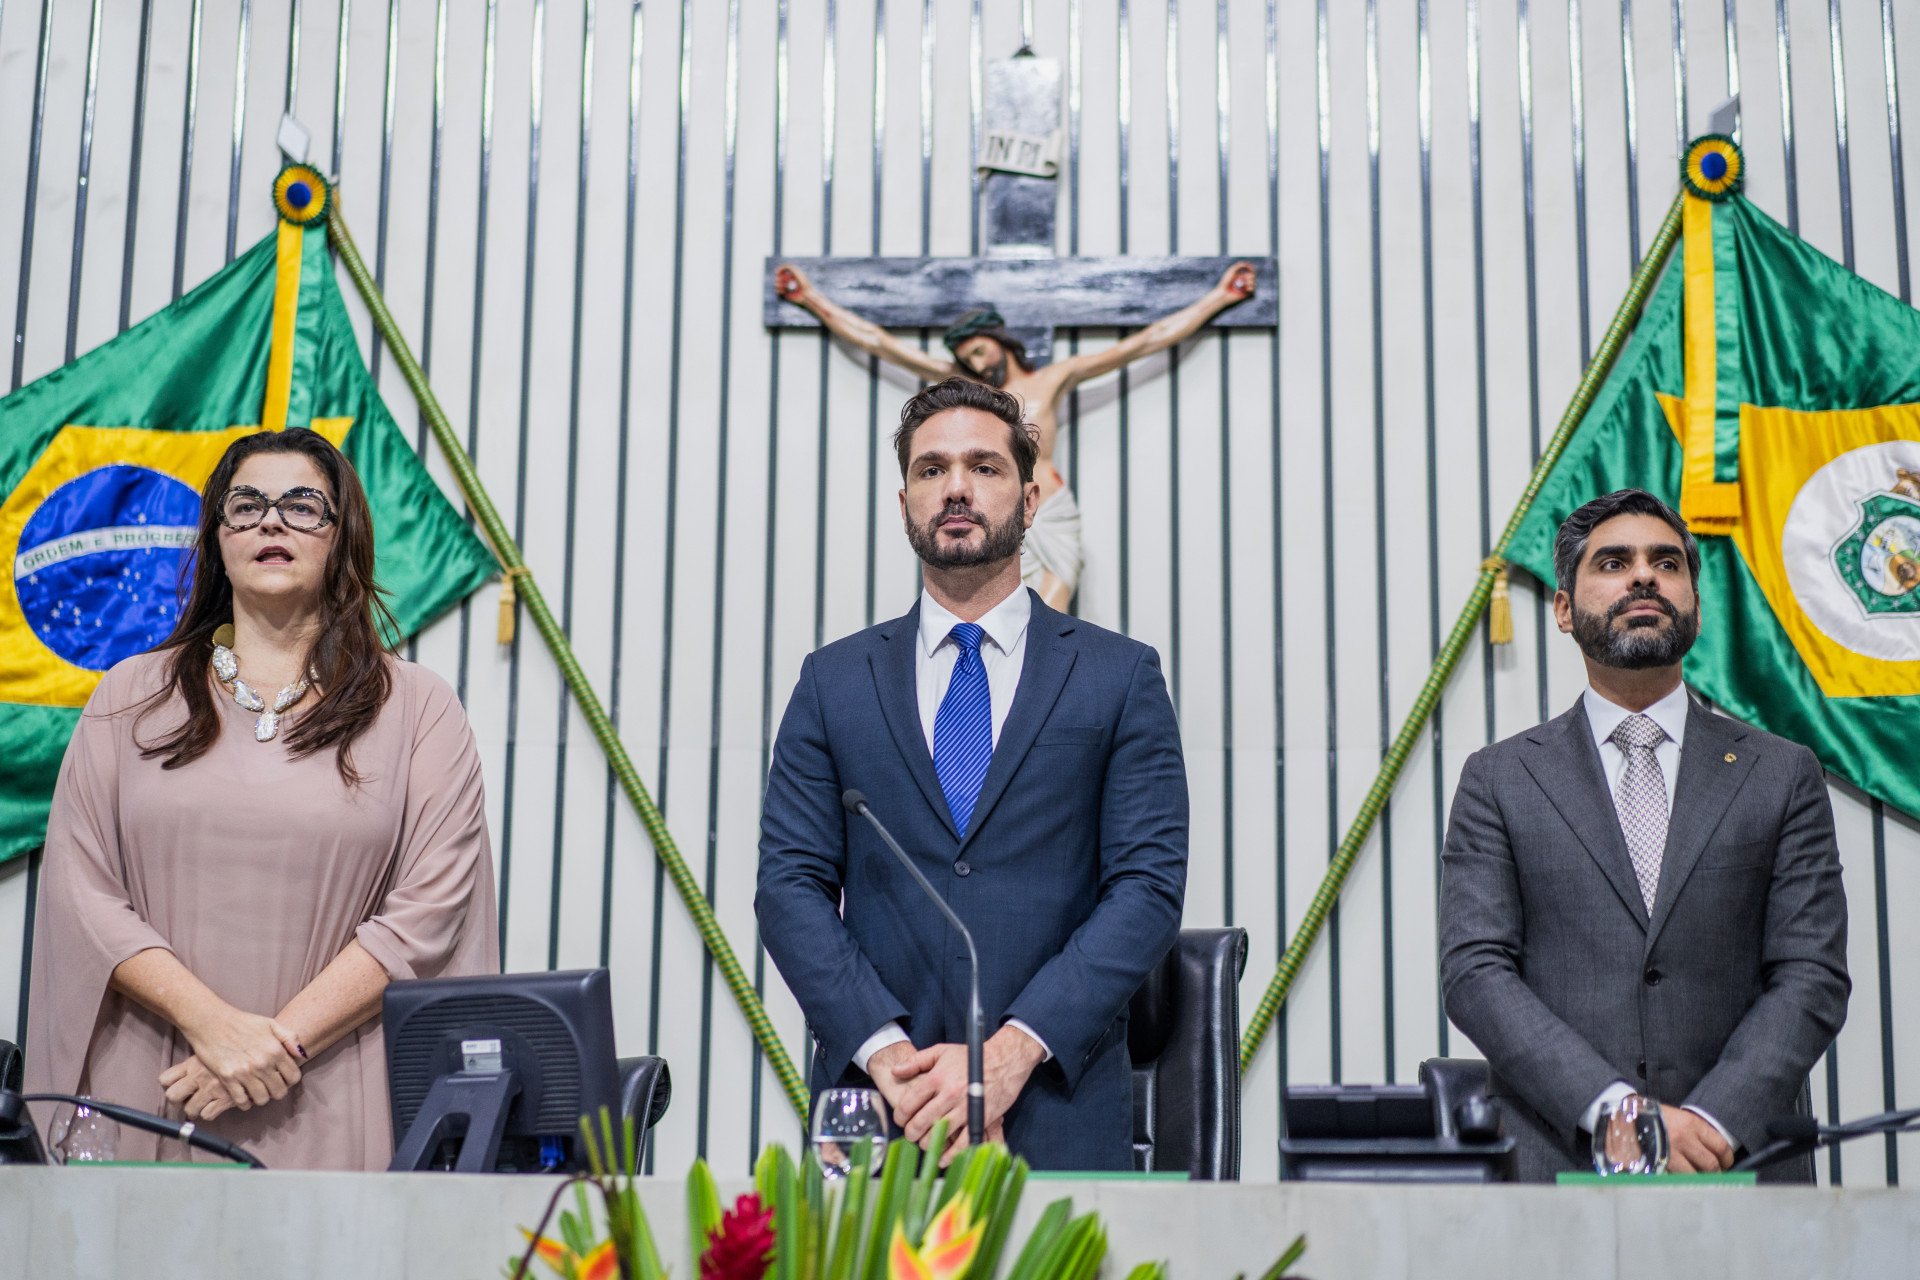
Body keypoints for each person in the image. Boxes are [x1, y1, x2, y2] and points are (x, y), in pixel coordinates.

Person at [24, 427, 497, 1170]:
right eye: (245, 506)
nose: (271, 521)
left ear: (342, 538)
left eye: (302, 505)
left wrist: (275, 1044)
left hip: (338, 1088)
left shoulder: (418, 707)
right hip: (159, 1085)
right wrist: (214, 1029)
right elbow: (84, 890)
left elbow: (428, 912)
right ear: (216, 538)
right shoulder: (128, 696)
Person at [755, 377, 1188, 1170]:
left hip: (1054, 1109)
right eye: (931, 470)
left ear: (1030, 503)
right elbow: (788, 887)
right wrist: (892, 1059)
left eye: (984, 467)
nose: (955, 486)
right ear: (905, 502)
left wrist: (1010, 1056)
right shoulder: (832, 681)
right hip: (882, 1113)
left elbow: (1148, 889)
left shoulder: (1118, 677)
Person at [1439, 489, 1849, 1182]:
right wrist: (1615, 1112)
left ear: (1693, 602)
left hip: (1739, 1166)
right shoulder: (1498, 780)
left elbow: (1811, 972)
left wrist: (1713, 1123)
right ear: (1565, 610)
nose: (1643, 576)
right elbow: (1476, 974)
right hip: (1558, 1166)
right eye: (1613, 562)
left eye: (1666, 563)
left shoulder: (1782, 773)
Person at [774, 260, 1257, 609]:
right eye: (968, 357)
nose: (978, 362)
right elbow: (880, 343)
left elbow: (1146, 342)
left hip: (1046, 507)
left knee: (1050, 613)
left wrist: (1222, 296)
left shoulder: (1052, 379)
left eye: (981, 350)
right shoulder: (966, 386)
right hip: (988, 509)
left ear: (1000, 340)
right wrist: (809, 297)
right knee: (983, 610)